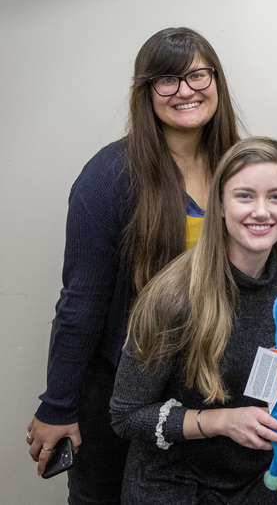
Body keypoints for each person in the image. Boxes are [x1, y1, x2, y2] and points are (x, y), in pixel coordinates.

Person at [26, 28, 241, 503]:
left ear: (217, 83)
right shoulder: (109, 176)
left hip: (214, 390)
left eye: (198, 75)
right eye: (167, 79)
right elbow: (81, 303)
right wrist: (58, 405)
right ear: (145, 92)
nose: (186, 90)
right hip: (122, 393)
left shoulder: (238, 166)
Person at [110, 136, 277, 503]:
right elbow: (126, 416)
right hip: (174, 486)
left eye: (276, 197)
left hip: (258, 485)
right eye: (245, 196)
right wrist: (223, 422)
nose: (262, 211)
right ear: (219, 203)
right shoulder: (173, 294)